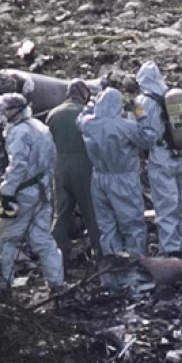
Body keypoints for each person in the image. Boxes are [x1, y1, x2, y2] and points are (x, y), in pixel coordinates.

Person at [0, 93, 65, 294]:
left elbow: (18, 165)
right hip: (42, 192)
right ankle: (57, 285)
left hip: (21, 194)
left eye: (3, 110)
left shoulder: (18, 133)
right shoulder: (40, 127)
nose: (0, 115)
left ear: (15, 111)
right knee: (43, 239)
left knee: (5, 240)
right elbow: (52, 159)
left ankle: (2, 286)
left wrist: (6, 191)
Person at [134, 62, 182, 257]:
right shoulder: (179, 97)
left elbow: (140, 133)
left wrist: (142, 153)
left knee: (166, 206)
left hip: (161, 157)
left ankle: (171, 249)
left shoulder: (140, 103)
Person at [76, 87, 153, 258]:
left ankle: (113, 265)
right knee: (133, 225)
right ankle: (135, 263)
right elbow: (148, 138)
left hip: (99, 178)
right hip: (124, 179)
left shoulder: (88, 124)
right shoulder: (125, 126)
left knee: (107, 225)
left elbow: (79, 119)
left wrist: (90, 106)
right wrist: (139, 111)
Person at [46, 78, 102, 263]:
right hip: (85, 168)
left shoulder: (53, 114)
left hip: (60, 168)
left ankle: (56, 263)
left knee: (60, 215)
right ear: (85, 94)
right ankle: (100, 261)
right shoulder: (88, 113)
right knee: (92, 215)